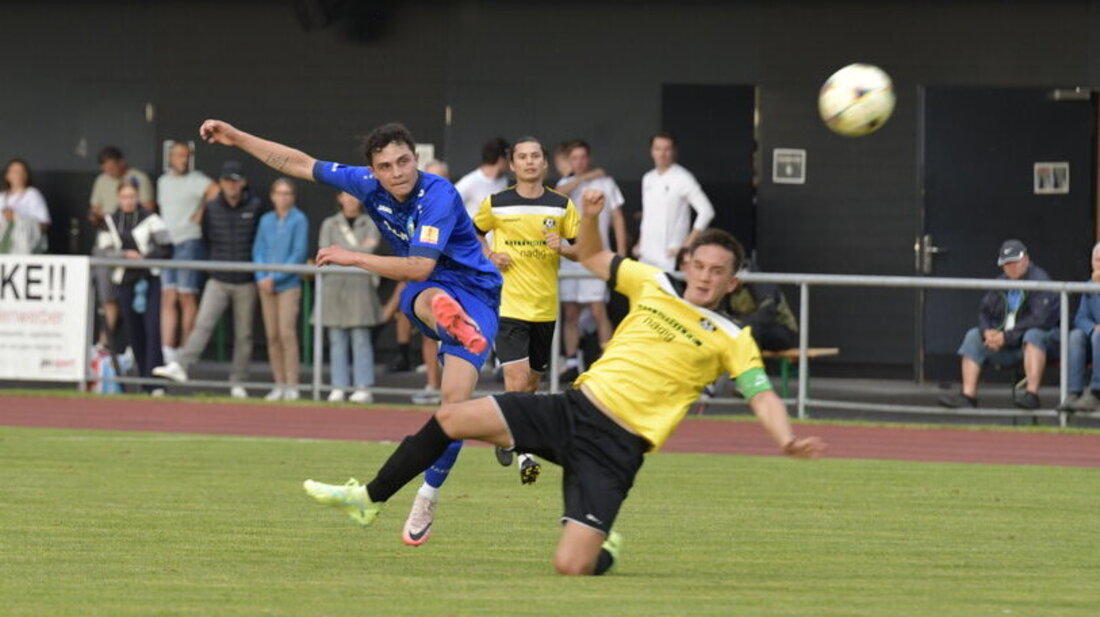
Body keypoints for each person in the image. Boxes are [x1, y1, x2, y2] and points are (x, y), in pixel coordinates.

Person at [302, 189, 827, 576]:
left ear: (733, 282)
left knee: (571, 566)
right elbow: (593, 256)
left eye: (719, 271)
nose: (706, 276)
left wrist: (784, 438)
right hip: (572, 411)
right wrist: (592, 218)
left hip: (617, 447)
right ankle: (369, 498)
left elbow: (761, 392)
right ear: (686, 263)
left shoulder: (732, 336)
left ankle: (603, 542)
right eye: (700, 265)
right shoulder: (653, 282)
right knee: (450, 417)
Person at [196, 119, 502, 547]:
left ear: (416, 159)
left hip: (477, 293)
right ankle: (449, 322)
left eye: (404, 161)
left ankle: (427, 494)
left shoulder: (439, 195)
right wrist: (237, 137)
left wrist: (352, 257)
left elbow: (419, 265)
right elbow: (296, 162)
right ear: (372, 171)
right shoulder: (366, 184)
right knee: (427, 296)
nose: (397, 172)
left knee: (453, 413)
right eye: (386, 166)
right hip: (432, 290)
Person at [473, 136, 581, 483]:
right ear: (513, 164)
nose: (530, 162)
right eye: (523, 157)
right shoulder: (496, 203)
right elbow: (472, 234)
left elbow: (588, 249)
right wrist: (490, 255)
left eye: (536, 156)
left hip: (545, 309)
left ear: (545, 163)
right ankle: (525, 454)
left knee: (530, 384)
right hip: (508, 305)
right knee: (516, 380)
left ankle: (505, 430)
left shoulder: (561, 206)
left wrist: (563, 248)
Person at [153, 160, 265, 399]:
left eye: (235, 180)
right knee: (202, 324)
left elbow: (259, 239)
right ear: (221, 184)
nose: (231, 185)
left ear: (243, 182)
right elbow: (206, 236)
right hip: (218, 278)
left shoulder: (255, 206)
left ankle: (238, 381)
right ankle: (181, 366)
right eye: (226, 181)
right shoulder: (212, 207)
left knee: (244, 333)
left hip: (245, 280)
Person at [939, 239, 1059, 410]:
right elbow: (985, 312)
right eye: (1006, 264)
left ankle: (1032, 395)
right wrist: (986, 332)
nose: (1011, 267)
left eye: (1015, 262)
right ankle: (968, 395)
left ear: (1026, 259)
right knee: (974, 336)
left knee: (1034, 335)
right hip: (1005, 343)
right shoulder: (1000, 282)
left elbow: (1040, 320)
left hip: (1039, 346)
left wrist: (1007, 337)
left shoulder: (1041, 281)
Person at [556, 140, 626, 380]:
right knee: (571, 311)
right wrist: (582, 179)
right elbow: (558, 195)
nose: (580, 162)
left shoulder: (606, 183)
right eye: (574, 158)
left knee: (598, 309)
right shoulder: (565, 184)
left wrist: (621, 251)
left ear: (589, 157)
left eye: (583, 157)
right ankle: (573, 362)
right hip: (570, 258)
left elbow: (617, 217)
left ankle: (608, 362)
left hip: (597, 255)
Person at [103, 180, 172, 394]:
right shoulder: (111, 221)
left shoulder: (151, 218)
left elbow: (167, 247)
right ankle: (144, 381)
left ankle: (157, 383)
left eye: (132, 196)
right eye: (124, 197)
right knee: (134, 332)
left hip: (149, 278)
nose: (129, 201)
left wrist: (144, 258)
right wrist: (124, 255)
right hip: (125, 280)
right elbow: (104, 250)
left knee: (152, 330)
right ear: (118, 198)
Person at [319, 192, 385, 403]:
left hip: (360, 288)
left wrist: (342, 254)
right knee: (336, 340)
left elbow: (371, 251)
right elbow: (325, 253)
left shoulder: (370, 222)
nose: (350, 200)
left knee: (360, 339)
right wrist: (357, 252)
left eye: (353, 196)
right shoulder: (329, 224)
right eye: (345, 195)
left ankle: (363, 386)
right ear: (339, 198)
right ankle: (338, 386)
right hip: (334, 287)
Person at [157, 141, 218, 365]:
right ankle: (167, 350)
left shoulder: (197, 179)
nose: (183, 160)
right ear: (170, 158)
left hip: (189, 242)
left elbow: (216, 191)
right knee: (168, 296)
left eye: (186, 156)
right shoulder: (163, 182)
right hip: (167, 245)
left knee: (186, 296)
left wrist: (201, 211)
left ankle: (185, 350)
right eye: (179, 156)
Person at [89, 146, 155, 347]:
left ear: (122, 162)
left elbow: (149, 209)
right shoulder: (102, 181)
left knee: (136, 300)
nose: (109, 173)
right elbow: (94, 210)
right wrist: (100, 218)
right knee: (107, 293)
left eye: (113, 168)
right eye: (106, 169)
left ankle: (133, 347)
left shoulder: (139, 178)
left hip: (135, 245)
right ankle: (104, 344)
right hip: (109, 243)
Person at [253, 178, 310, 401]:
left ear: (293, 197)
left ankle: (292, 384)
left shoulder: (299, 219)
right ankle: (279, 383)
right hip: (265, 285)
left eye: (287, 193)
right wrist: (261, 276)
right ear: (272, 195)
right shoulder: (266, 220)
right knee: (272, 335)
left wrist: (275, 278)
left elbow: (298, 252)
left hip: (288, 285)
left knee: (287, 334)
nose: (283, 197)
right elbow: (258, 249)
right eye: (279, 193)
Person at [636, 132, 715, 271]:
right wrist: (640, 243)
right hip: (645, 255)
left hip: (669, 257)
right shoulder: (648, 178)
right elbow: (647, 216)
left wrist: (686, 245)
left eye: (667, 149)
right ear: (652, 151)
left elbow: (707, 211)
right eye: (658, 149)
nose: (662, 154)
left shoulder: (683, 178)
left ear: (674, 151)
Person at [1060, 242, 1100, 412]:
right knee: (1076, 335)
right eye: (1097, 260)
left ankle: (1096, 392)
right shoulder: (1089, 285)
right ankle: (1074, 393)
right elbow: (1080, 317)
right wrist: (1093, 328)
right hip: (1096, 343)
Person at [454, 138, 509, 219]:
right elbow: (448, 205)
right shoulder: (470, 182)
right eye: (509, 158)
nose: (512, 162)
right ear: (501, 159)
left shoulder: (506, 182)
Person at [1, 158, 50, 238]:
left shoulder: (32, 194)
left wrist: (17, 219)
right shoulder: (1, 197)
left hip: (23, 246)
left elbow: (44, 225)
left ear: (26, 175)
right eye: (14, 171)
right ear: (7, 175)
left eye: (21, 172)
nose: (17, 175)